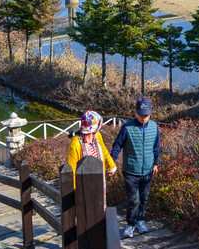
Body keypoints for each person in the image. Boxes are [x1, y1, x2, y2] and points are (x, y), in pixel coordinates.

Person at [110, 97, 160, 239]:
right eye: (140, 114)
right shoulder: (127, 127)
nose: (143, 118)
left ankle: (140, 221)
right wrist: (111, 163)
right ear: (135, 113)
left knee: (144, 198)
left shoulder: (154, 126)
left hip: (148, 169)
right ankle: (130, 224)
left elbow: (156, 147)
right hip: (131, 170)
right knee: (134, 199)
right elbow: (117, 145)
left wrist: (155, 163)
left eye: (146, 115)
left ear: (150, 114)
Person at [67, 110, 117, 190]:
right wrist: (74, 189)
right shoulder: (76, 143)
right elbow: (72, 167)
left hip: (99, 179)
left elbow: (104, 151)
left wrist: (111, 166)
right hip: (84, 185)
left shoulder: (97, 136)